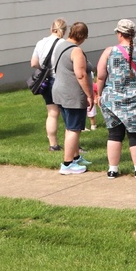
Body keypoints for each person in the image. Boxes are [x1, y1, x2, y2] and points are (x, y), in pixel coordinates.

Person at [96, 19, 136, 178]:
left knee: (114, 134)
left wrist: (99, 95)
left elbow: (101, 76)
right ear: (133, 34)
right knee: (135, 134)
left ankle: (113, 170)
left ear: (119, 34)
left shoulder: (108, 51)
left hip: (112, 100)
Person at [51, 22, 94, 174]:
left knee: (70, 127)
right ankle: (67, 164)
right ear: (82, 36)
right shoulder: (76, 51)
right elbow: (81, 74)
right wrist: (90, 95)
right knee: (74, 129)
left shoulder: (60, 46)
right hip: (73, 95)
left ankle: (75, 158)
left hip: (59, 92)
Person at [31, 18, 67, 151]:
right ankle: (74, 145)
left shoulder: (41, 42)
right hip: (60, 80)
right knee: (67, 112)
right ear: (64, 30)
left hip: (46, 81)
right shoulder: (64, 43)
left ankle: (53, 145)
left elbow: (34, 63)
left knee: (52, 113)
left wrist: (45, 68)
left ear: (51, 29)